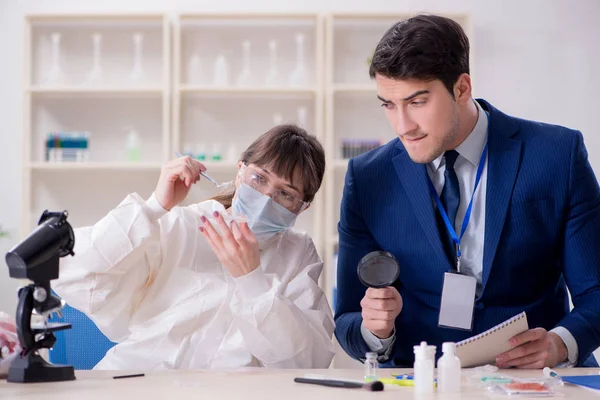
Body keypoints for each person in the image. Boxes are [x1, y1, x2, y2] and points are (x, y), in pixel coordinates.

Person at [334, 14, 600, 369]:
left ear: (462, 88)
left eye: (416, 102)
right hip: (421, 380)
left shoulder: (557, 154)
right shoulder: (368, 177)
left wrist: (561, 343)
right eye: (388, 104)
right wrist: (375, 331)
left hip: (536, 380)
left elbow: (595, 293)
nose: (403, 126)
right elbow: (347, 318)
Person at [52, 124, 335, 369]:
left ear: (303, 207)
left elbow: (307, 360)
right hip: (141, 379)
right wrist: (153, 208)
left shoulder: (298, 253)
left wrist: (252, 280)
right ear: (240, 171)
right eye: (259, 178)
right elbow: (77, 277)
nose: (265, 199)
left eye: (285, 194)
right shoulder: (184, 223)